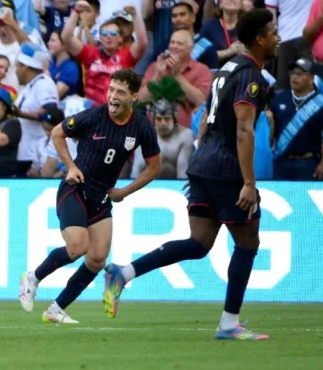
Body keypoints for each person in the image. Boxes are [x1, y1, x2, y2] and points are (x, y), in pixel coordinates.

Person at [104, 9, 281, 340]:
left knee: (199, 243)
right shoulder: (250, 75)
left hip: (204, 164)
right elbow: (244, 129)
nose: (278, 38)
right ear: (259, 39)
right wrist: (248, 182)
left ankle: (123, 273)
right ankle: (229, 324)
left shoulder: (226, 69)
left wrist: (200, 162)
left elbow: (204, 117)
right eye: (273, 33)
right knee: (248, 242)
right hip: (227, 168)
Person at [19, 68, 161, 324]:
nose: (113, 96)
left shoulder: (142, 126)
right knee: (77, 247)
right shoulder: (94, 116)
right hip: (75, 189)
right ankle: (33, 278)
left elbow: (154, 167)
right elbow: (57, 133)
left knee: (97, 259)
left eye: (120, 92)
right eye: (111, 90)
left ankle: (56, 309)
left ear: (133, 97)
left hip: (102, 198)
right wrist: (71, 166)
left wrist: (124, 192)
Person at [62, 2, 147, 106]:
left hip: (118, 109)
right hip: (93, 109)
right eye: (104, 33)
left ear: (120, 38)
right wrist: (76, 12)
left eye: (113, 33)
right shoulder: (89, 53)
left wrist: (135, 15)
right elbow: (66, 38)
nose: (108, 36)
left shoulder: (127, 55)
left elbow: (143, 42)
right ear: (100, 38)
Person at [268, 59, 323, 180]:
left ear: (311, 78)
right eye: (292, 73)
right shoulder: (279, 99)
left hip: (307, 163)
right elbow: (270, 130)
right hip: (281, 161)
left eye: (299, 74)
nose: (294, 77)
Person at [138, 29, 213, 129]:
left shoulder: (201, 70)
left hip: (187, 132)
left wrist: (177, 76)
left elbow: (201, 101)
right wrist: (158, 74)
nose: (174, 46)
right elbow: (141, 100)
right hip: (155, 131)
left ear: (190, 48)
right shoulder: (155, 67)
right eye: (172, 42)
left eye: (179, 43)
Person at [13, 44, 59, 176]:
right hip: (24, 151)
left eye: (17, 66)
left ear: (25, 67)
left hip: (35, 155)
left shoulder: (44, 84)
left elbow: (51, 113)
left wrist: (20, 113)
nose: (16, 71)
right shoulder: (30, 86)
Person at [130, 99, 195, 179]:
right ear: (153, 118)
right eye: (159, 119)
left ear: (174, 118)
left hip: (175, 184)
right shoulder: (144, 136)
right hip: (148, 184)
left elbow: (183, 171)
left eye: (167, 119)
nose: (163, 123)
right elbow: (136, 169)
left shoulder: (186, 136)